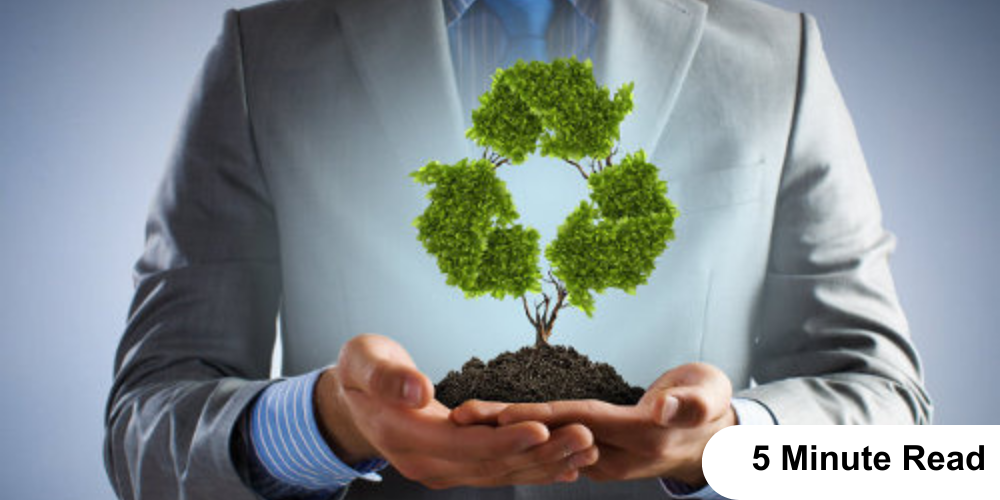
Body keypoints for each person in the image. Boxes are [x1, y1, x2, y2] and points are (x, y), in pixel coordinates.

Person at [104, 0, 932, 499]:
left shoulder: (773, 60)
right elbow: (144, 431)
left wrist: (732, 444)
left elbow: (895, 426)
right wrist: (326, 426)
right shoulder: (268, 56)